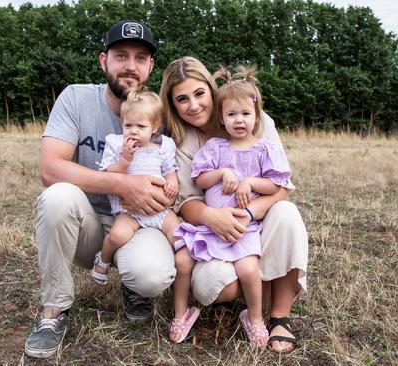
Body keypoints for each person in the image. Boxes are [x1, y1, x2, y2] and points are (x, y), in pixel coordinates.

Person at [25, 20, 176, 359]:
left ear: (151, 66)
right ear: (103, 60)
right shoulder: (76, 98)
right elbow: (50, 168)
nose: (130, 66)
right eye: (121, 55)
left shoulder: (160, 113)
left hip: (142, 221)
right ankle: (54, 310)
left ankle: (135, 287)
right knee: (57, 197)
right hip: (89, 223)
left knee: (152, 275)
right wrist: (123, 183)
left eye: (140, 57)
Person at [160, 56, 309, 353]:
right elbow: (187, 201)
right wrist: (214, 217)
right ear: (172, 105)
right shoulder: (183, 141)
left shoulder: (258, 122)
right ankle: (252, 289)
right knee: (215, 287)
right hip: (213, 227)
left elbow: (281, 188)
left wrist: (250, 211)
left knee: (287, 213)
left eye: (200, 93)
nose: (194, 105)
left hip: (255, 219)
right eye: (182, 99)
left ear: (212, 90)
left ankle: (279, 315)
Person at [91, 86, 180, 284]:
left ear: (154, 127)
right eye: (128, 125)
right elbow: (108, 176)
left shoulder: (163, 146)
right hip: (128, 211)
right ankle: (103, 261)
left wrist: (172, 183)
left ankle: (182, 270)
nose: (133, 131)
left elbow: (170, 171)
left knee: (179, 237)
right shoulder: (116, 144)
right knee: (117, 235)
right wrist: (125, 159)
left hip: (160, 211)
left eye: (141, 127)